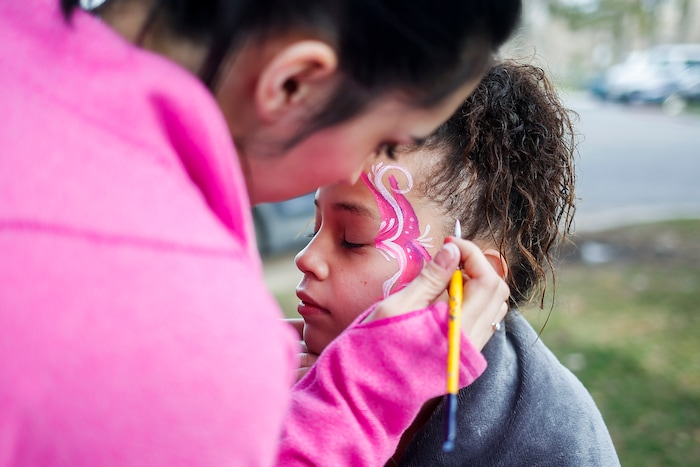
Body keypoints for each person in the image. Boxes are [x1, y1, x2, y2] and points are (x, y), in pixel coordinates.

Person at [0, 0, 523, 465]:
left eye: (355, 238)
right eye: (386, 139)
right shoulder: (193, 338)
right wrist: (359, 398)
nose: (352, 168)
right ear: (293, 82)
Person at [293, 60, 620, 465]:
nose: (306, 259)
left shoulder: (554, 443)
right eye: (315, 228)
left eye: (352, 239)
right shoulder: (270, 379)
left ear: (465, 282)